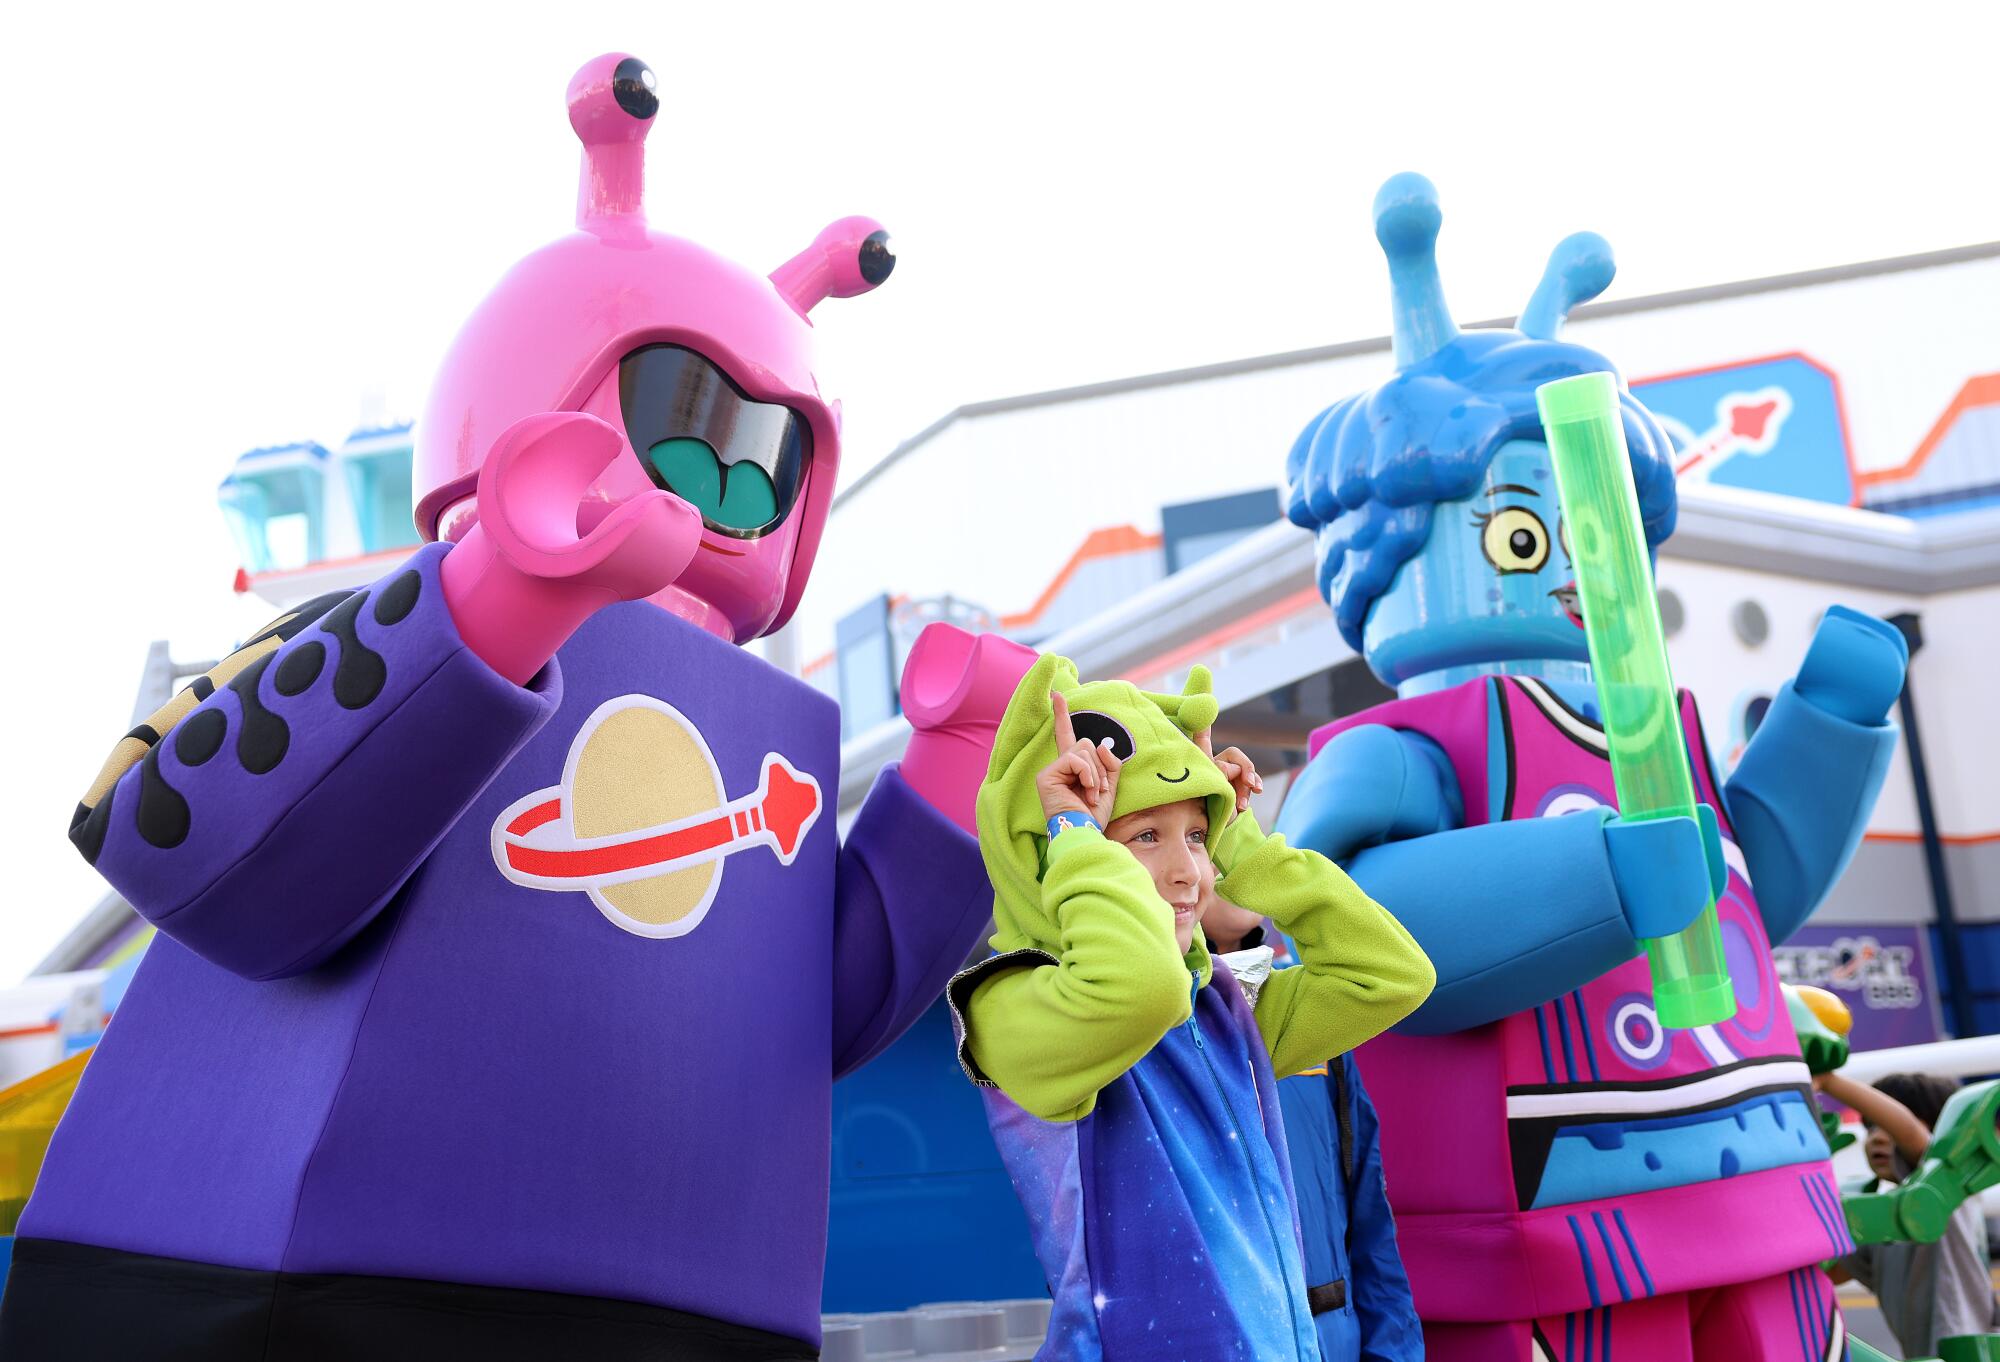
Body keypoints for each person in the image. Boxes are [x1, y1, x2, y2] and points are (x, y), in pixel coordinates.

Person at [947, 657, 1434, 1361]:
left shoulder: (1222, 1013)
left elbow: (1389, 975)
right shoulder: (1006, 1004)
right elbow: (1137, 989)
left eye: (1196, 837)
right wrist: (1079, 839)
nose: (1189, 874)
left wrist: (1242, 841)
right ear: (1049, 847)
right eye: (1145, 836)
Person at [1204, 891, 1423, 1362]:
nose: (1219, 863)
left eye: (1228, 838)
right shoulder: (1134, 1027)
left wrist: (1395, 1351)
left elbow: (1369, 1215)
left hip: (1334, 1342)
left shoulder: (1305, 1005)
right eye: (1203, 836)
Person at [1823, 1070, 2000, 1358]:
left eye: (1885, 1126)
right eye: (1869, 1128)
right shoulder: (1885, 1222)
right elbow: (1831, 1271)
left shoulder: (1947, 1193)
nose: (1876, 1139)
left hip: (1969, 1353)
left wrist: (1829, 1081)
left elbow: (1918, 1141)